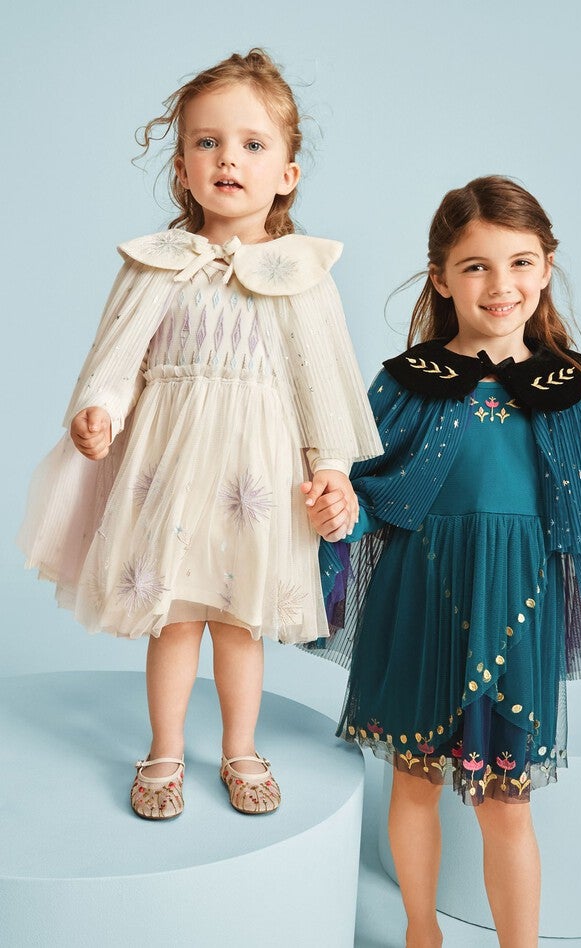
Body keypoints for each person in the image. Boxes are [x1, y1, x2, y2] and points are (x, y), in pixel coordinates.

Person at [304, 175, 581, 947]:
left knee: (506, 802)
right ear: (442, 277)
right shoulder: (408, 383)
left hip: (517, 607)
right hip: (420, 595)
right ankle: (420, 931)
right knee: (413, 779)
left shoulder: (569, 391)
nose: (500, 284)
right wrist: (338, 511)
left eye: (519, 262)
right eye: (476, 266)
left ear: (545, 267)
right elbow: (369, 491)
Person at [18, 49, 381, 821]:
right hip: (173, 471)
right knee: (176, 617)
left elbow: (321, 384)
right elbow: (119, 362)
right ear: (182, 168)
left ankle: (241, 748)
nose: (228, 159)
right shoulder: (156, 267)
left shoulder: (300, 275)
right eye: (207, 142)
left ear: (287, 173)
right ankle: (166, 750)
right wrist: (100, 412)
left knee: (239, 623)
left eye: (252, 144)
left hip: (257, 476)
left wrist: (331, 468)